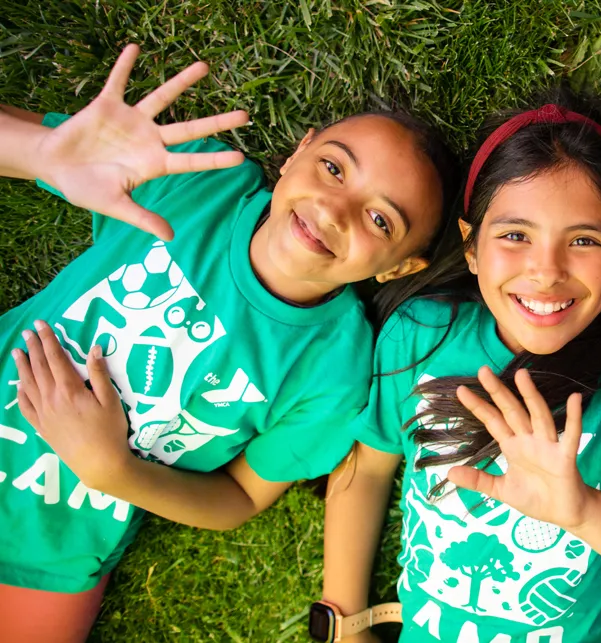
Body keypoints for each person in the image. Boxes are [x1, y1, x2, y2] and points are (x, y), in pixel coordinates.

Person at [0, 44, 456, 643]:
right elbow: (46, 153)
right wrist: (41, 154)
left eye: (380, 221)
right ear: (298, 151)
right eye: (334, 167)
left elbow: (240, 496)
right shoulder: (198, 182)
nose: (334, 208)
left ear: (398, 269)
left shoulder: (335, 373)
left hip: (54, 548)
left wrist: (113, 471)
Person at [316, 97, 601, 643]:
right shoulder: (420, 335)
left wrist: (584, 511)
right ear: (471, 246)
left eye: (584, 240)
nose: (546, 272)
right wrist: (345, 624)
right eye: (515, 235)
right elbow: (371, 467)